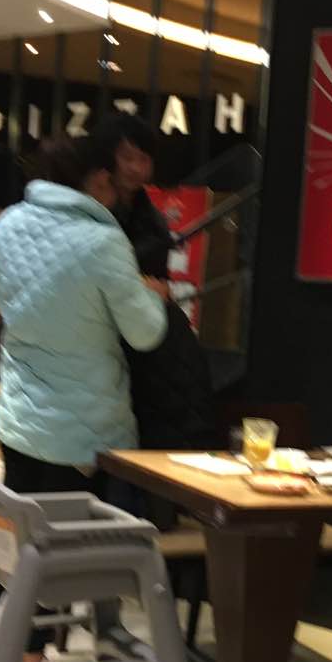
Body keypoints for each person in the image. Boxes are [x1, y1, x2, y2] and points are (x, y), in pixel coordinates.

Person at [0, 136, 168, 662]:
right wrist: (153, 297)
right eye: (111, 180)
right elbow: (144, 332)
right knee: (54, 552)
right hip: (80, 426)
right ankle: (30, 660)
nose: (117, 189)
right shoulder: (102, 240)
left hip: (20, 411)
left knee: (14, 528)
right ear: (95, 180)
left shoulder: (6, 226)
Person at [92, 115, 214, 466]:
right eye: (127, 157)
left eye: (143, 159)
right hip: (113, 335)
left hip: (147, 335)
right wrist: (137, 284)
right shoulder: (94, 211)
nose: (135, 168)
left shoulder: (150, 217)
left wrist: (150, 288)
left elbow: (159, 283)